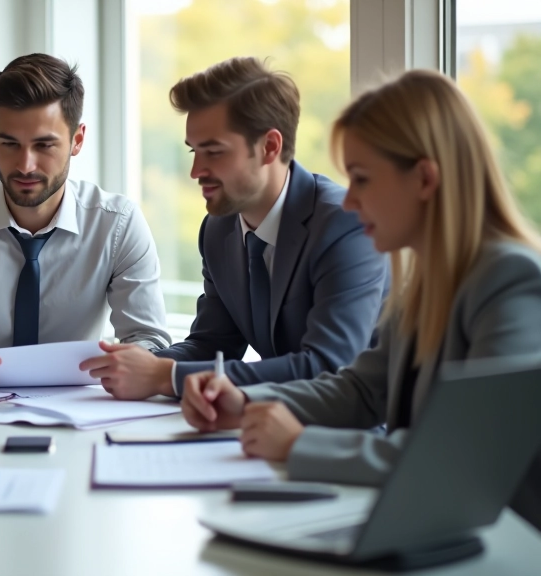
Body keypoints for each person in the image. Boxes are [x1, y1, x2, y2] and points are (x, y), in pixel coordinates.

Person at [180, 69, 541, 532]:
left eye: (362, 179)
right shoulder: (430, 282)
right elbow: (362, 389)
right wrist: (245, 403)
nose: (348, 202)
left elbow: (470, 462)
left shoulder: (511, 279)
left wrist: (299, 446)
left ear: (425, 179)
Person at [81, 57, 388, 400]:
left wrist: (166, 376)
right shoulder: (218, 229)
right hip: (272, 422)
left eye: (213, 152)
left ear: (270, 147)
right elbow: (214, 344)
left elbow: (328, 366)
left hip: (363, 435)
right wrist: (142, 363)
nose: (196, 171)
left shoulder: (345, 225)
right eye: (194, 151)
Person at [0, 53, 170, 388]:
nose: (25, 165)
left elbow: (150, 341)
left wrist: (127, 365)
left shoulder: (118, 225)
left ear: (77, 140)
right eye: (10, 144)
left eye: (44, 145)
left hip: (80, 412)